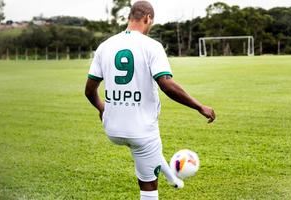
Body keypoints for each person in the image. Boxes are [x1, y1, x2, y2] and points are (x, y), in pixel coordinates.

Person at [85, 1, 215, 199]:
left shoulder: (105, 46)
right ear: (148, 18)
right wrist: (199, 106)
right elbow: (166, 84)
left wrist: (102, 107)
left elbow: (89, 90)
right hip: (141, 131)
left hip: (112, 128)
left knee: (149, 149)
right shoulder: (152, 46)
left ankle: (173, 178)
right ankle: (164, 180)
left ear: (130, 18)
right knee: (149, 181)